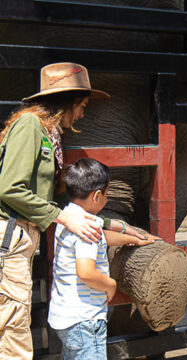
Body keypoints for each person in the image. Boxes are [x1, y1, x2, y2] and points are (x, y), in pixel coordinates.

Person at [0, 62, 147, 359]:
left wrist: (112, 224)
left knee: (15, 318)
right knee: (13, 325)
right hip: (11, 234)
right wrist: (63, 217)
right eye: (81, 105)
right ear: (65, 102)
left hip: (22, 236)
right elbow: (9, 188)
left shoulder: (48, 134)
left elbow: (51, 202)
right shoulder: (29, 125)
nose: (82, 114)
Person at [48, 158, 155, 359]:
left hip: (65, 317)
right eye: (107, 194)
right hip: (85, 321)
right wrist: (110, 285)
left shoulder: (69, 217)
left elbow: (103, 237)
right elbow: (86, 272)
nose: (107, 199)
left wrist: (131, 240)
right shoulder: (87, 228)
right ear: (97, 196)